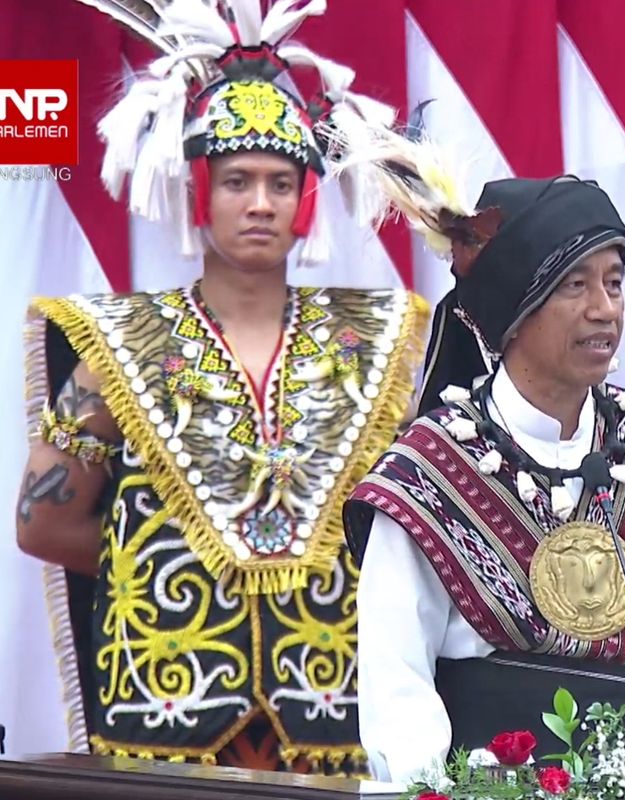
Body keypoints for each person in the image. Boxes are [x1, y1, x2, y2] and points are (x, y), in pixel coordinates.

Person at [16, 0, 429, 774]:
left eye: (281, 181)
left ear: (307, 198)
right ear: (199, 189)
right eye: (238, 180)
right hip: (165, 715)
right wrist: (173, 563)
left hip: (336, 717)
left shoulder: (381, 338)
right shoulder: (116, 341)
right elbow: (44, 523)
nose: (261, 202)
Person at [341, 155, 625, 782]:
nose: (604, 309)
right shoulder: (431, 473)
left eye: (614, 283)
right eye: (573, 285)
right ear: (513, 311)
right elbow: (396, 693)